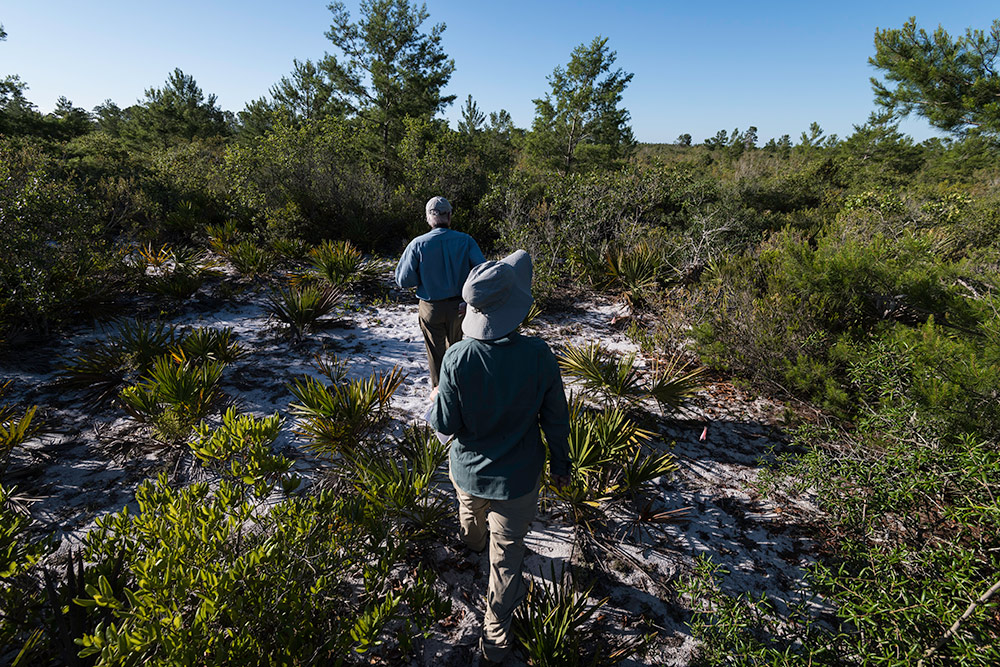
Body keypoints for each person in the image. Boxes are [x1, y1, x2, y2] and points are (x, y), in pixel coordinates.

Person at [427, 250, 571, 663]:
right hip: (519, 478)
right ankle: (495, 636)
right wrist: (561, 466)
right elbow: (555, 421)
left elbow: (446, 425)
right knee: (507, 560)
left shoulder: (457, 356)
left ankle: (471, 544)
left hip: (468, 471)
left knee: (470, 519)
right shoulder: (539, 355)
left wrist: (434, 401)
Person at [395, 196, 485, 388]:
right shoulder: (465, 241)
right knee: (458, 350)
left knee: (436, 355)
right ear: (449, 216)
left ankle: (440, 393)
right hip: (460, 306)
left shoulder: (417, 244)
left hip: (430, 308)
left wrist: (423, 279)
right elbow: (482, 271)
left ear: (428, 217)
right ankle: (460, 389)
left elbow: (403, 280)